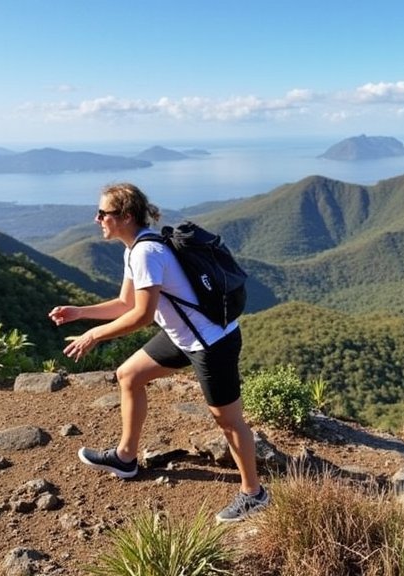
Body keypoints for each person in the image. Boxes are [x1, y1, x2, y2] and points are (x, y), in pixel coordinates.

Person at [47, 182, 269, 523]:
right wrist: (80, 311)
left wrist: (94, 335)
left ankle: (254, 494)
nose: (97, 219)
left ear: (126, 216)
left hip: (212, 343)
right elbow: (125, 303)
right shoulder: (133, 249)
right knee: (129, 375)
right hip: (182, 336)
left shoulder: (146, 252)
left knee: (228, 420)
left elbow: (142, 315)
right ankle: (125, 458)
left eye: (103, 213)